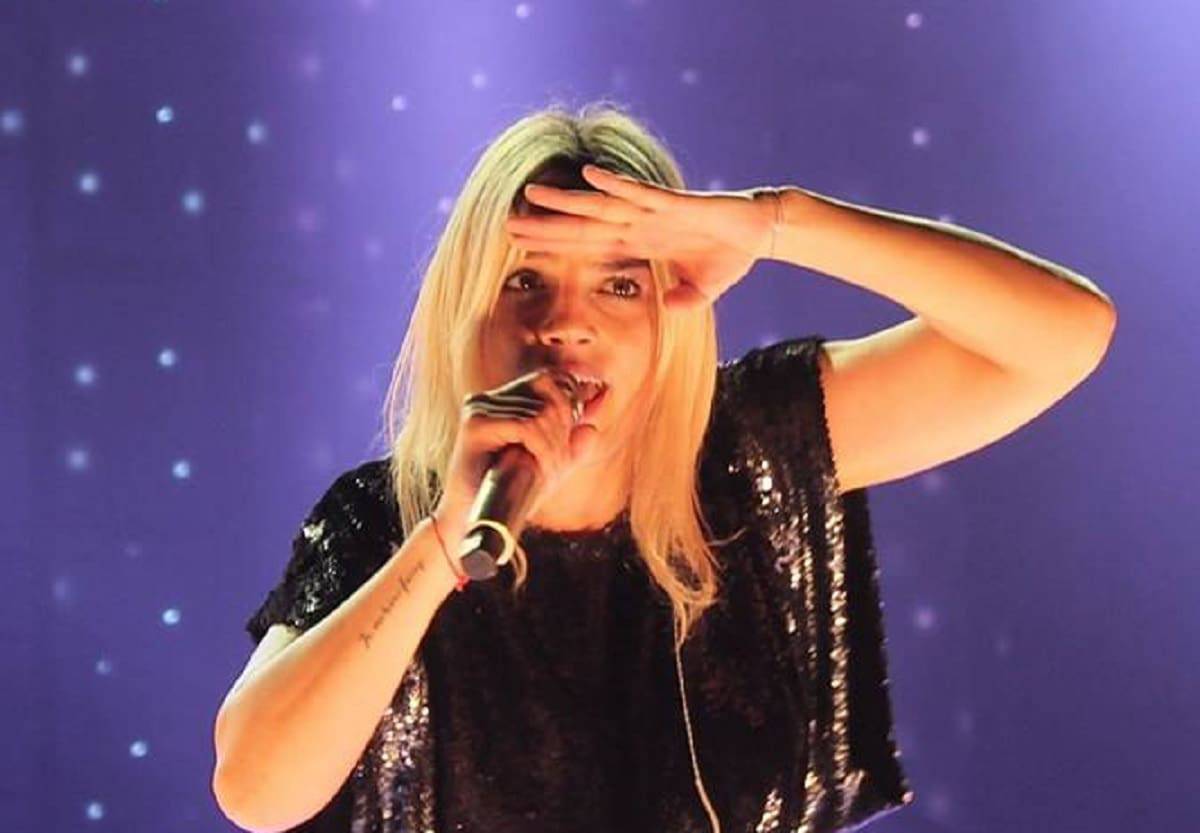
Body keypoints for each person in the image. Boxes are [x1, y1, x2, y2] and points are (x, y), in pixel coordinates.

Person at [213, 101, 930, 833]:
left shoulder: (747, 453)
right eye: (525, 281)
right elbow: (254, 790)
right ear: (465, 308)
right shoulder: (383, 518)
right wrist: (442, 543)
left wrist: (775, 223)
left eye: (618, 285)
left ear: (671, 315)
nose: (565, 324)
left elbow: (1015, 347)